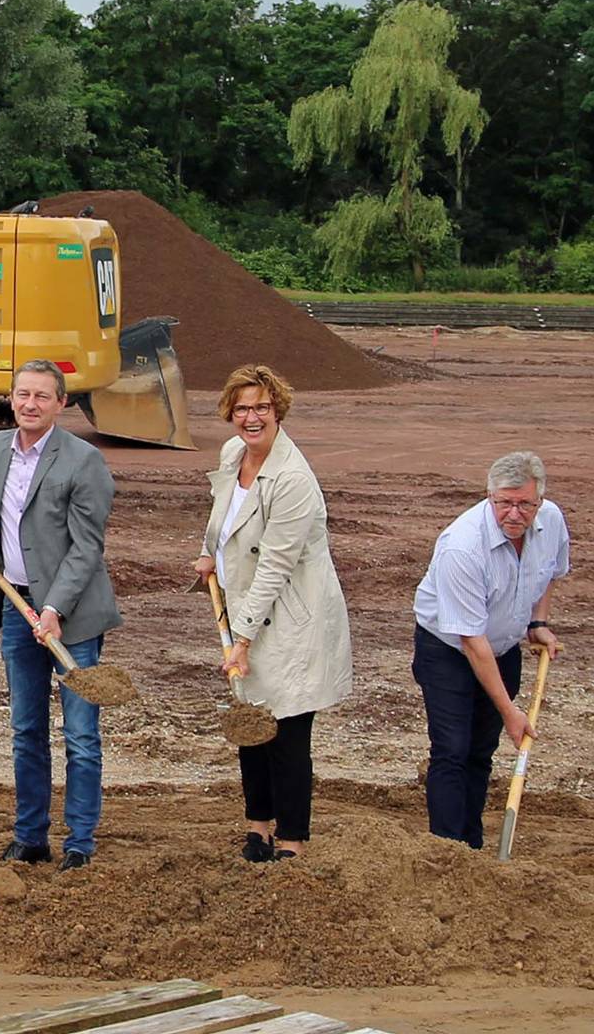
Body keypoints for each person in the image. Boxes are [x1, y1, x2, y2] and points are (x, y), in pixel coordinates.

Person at [0, 358, 118, 869]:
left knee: (80, 735)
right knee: (26, 730)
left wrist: (53, 609)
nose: (30, 405)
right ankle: (31, 836)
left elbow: (86, 547)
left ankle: (79, 844)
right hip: (17, 606)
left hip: (72, 615)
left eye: (42, 397)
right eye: (23, 394)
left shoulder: (83, 461)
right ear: (11, 398)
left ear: (61, 403)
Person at [194, 363, 352, 862]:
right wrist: (208, 554)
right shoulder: (233, 454)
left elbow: (276, 567)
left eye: (261, 407)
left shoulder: (292, 479)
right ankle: (257, 827)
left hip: (290, 619)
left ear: (278, 410)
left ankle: (291, 840)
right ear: (230, 413)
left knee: (286, 731)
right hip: (246, 609)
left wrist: (241, 640)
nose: (252, 417)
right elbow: (223, 517)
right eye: (242, 408)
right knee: (251, 724)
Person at [409, 451, 570, 848]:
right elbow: (471, 641)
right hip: (448, 650)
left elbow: (551, 571)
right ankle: (447, 850)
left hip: (502, 645)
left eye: (525, 504)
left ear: (540, 501)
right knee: (452, 749)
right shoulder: (463, 547)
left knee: (482, 750)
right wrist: (510, 711)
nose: (514, 514)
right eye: (504, 503)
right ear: (489, 496)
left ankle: (472, 843)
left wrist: (537, 623)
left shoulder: (551, 521)